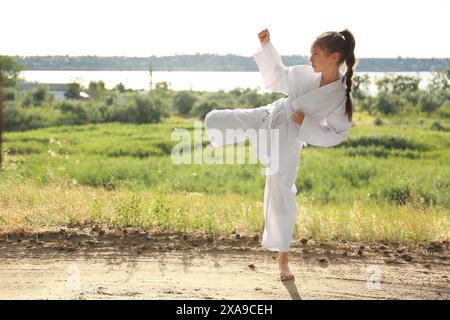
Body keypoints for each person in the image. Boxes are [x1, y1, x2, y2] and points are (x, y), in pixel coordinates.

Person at [204, 28, 356, 281]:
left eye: (315, 53)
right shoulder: (304, 74)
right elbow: (278, 76)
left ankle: (283, 260)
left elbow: (337, 133)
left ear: (334, 56)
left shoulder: (340, 96)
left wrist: (304, 124)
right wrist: (267, 47)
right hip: (270, 114)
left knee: (281, 193)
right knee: (216, 119)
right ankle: (221, 144)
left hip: (289, 137)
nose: (310, 59)